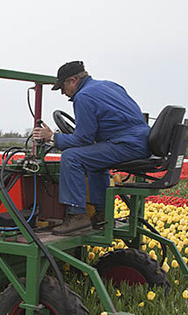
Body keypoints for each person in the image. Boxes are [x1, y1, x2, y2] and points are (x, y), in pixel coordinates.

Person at [32, 61, 151, 235]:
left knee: (71, 157)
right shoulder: (110, 86)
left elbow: (82, 139)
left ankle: (76, 217)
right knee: (94, 161)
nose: (63, 93)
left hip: (127, 145)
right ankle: (102, 215)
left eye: (63, 87)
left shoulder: (83, 97)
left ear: (73, 80)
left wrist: (51, 137)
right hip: (142, 142)